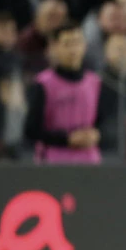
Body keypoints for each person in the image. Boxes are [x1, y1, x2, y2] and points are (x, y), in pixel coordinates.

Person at [25, 21, 105, 164]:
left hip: (89, 161)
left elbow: (103, 120)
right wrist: (67, 139)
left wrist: (96, 134)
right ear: (55, 47)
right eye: (67, 44)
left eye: (77, 42)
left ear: (84, 46)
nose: (73, 49)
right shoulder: (43, 83)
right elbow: (31, 129)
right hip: (53, 161)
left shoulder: (95, 82)